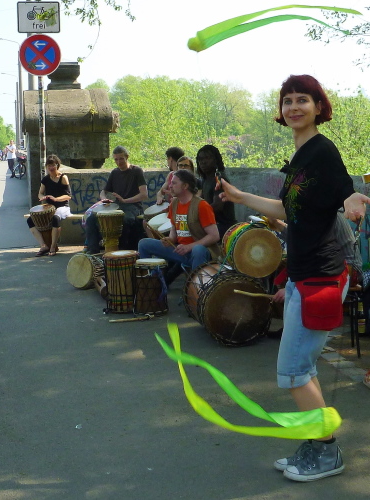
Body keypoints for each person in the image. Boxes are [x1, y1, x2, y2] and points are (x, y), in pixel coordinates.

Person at [219, 74, 370, 482]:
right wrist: (240, 197)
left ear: (319, 107)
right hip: (304, 276)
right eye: (287, 101)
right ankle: (317, 444)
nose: (294, 107)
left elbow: (344, 187)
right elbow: (288, 209)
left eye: (303, 99)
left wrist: (351, 199)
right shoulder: (301, 156)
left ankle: (326, 451)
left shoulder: (322, 150)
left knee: (293, 372)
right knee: (303, 369)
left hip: (320, 277)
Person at [138, 169, 220, 280]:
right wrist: (170, 239)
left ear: (185, 186)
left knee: (198, 249)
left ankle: (197, 287)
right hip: (181, 251)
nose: (170, 186)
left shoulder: (201, 205)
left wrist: (189, 247)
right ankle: (153, 283)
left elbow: (214, 236)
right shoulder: (174, 203)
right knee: (144, 244)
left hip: (201, 252)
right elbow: (174, 231)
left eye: (174, 183)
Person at [84, 146, 149, 254]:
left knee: (124, 220)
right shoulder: (115, 172)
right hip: (117, 205)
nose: (119, 162)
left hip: (133, 206)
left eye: (121, 159)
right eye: (116, 159)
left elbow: (144, 194)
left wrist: (125, 200)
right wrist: (104, 199)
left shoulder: (136, 171)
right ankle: (93, 251)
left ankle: (122, 251)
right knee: (91, 219)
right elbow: (103, 191)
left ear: (127, 157)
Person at [27, 154, 71, 256]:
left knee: (55, 218)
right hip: (50, 208)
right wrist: (43, 197)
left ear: (57, 165)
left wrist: (56, 199)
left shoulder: (63, 177)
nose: (51, 168)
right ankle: (43, 245)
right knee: (30, 220)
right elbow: (40, 193)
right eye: (49, 166)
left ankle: (53, 247)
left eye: (53, 165)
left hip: (63, 207)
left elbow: (68, 196)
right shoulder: (46, 179)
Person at [196, 145, 237, 238]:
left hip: (225, 227)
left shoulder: (219, 178)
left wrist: (196, 215)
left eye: (207, 158)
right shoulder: (205, 179)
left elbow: (217, 206)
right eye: (200, 159)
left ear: (216, 160)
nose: (203, 162)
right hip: (213, 224)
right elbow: (201, 201)